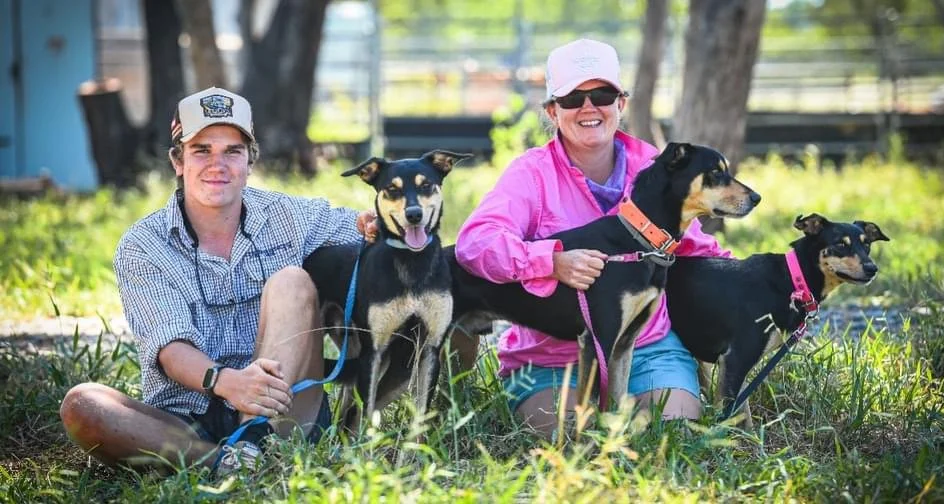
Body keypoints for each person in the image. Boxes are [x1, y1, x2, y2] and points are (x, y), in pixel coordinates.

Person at [59, 87, 376, 475]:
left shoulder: (289, 215)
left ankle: (252, 441)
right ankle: (221, 461)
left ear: (249, 161)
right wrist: (229, 383)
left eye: (232, 151)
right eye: (202, 150)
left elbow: (363, 226)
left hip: (283, 410)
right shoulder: (143, 245)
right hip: (187, 418)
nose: (218, 164)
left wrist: (377, 220)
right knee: (82, 404)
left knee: (292, 281)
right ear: (178, 160)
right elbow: (170, 349)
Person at [455, 39, 730, 437]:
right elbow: (475, 243)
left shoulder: (652, 165)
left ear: (621, 103)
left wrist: (770, 287)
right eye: (572, 98)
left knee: (670, 434)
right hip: (551, 358)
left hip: (647, 350)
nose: (588, 107)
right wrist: (551, 261)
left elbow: (695, 247)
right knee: (571, 437)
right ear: (553, 111)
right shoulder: (531, 173)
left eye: (602, 94)